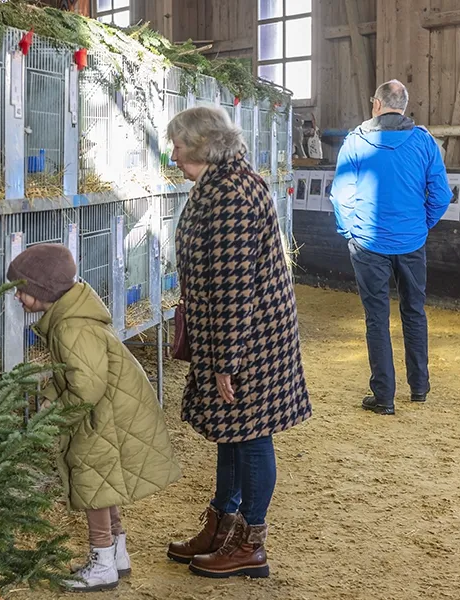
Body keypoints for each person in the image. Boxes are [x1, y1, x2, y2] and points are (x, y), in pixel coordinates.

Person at [164, 106, 311, 579]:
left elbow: (233, 285)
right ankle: (220, 527)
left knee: (250, 437)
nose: (173, 154)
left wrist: (226, 360)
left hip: (247, 338)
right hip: (240, 332)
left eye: (178, 146)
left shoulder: (229, 194)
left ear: (204, 145)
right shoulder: (226, 182)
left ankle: (251, 544)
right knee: (232, 433)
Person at [6, 243, 182, 592]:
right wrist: (50, 400)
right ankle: (116, 553)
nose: (17, 297)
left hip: (102, 415)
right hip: (106, 408)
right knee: (104, 482)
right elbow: (74, 377)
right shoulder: (71, 318)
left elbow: (85, 386)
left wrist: (54, 415)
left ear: (43, 291)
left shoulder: (72, 328)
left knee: (93, 484)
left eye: (22, 290)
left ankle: (101, 562)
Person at [330, 79, 452, 415]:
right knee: (414, 311)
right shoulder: (424, 142)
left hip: (368, 244)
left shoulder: (355, 142)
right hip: (411, 243)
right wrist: (420, 225)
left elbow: (341, 194)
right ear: (404, 105)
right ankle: (420, 387)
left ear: (376, 104)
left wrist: (349, 231)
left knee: (377, 319)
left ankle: (383, 396)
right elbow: (442, 196)